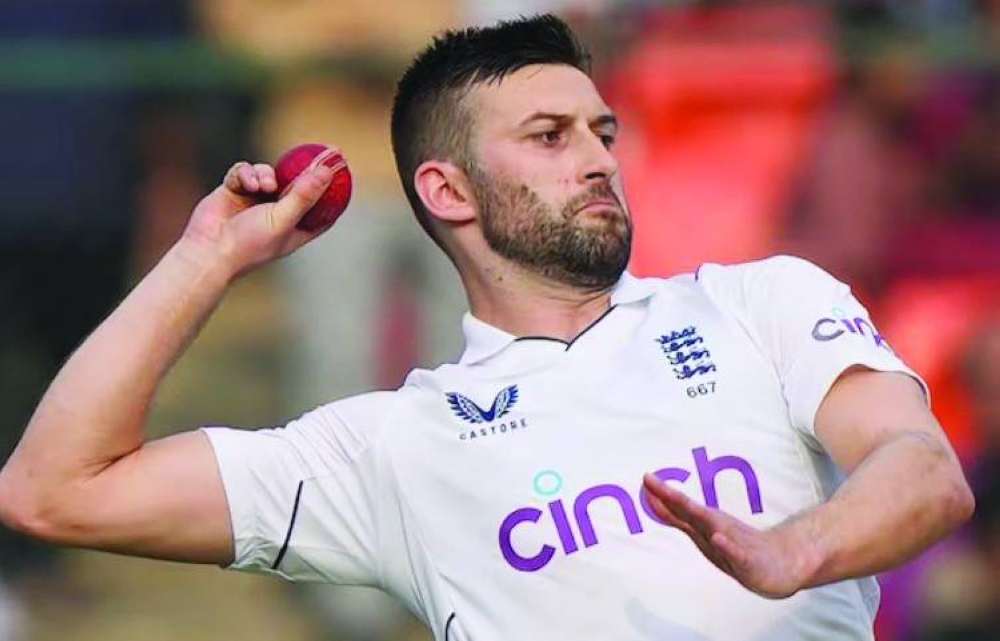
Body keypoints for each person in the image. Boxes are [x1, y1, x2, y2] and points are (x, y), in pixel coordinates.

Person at [0, 14, 974, 641]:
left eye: (602, 132)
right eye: (549, 137)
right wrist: (204, 258)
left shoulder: (761, 302)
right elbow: (53, 491)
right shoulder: (394, 444)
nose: (598, 158)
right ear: (447, 190)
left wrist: (797, 550)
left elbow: (925, 471)